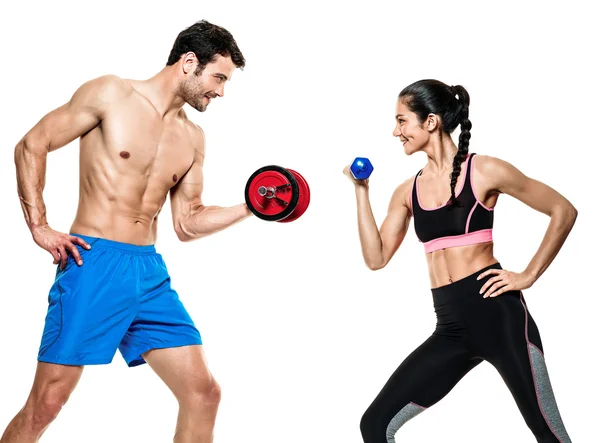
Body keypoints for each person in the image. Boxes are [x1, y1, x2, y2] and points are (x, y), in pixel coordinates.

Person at [3, 20, 251, 443]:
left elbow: (187, 222)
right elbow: (32, 144)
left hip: (148, 274)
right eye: (218, 78)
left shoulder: (193, 137)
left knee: (203, 393)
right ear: (189, 62)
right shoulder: (111, 94)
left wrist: (253, 207)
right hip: (93, 262)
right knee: (47, 403)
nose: (221, 91)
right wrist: (39, 226)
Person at [344, 79, 577, 443]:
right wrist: (361, 191)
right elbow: (376, 258)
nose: (395, 131)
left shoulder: (485, 170)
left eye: (402, 121)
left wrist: (528, 275)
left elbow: (562, 210)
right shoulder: (407, 191)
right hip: (451, 328)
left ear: (431, 122)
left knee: (549, 434)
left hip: (500, 317)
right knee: (374, 425)